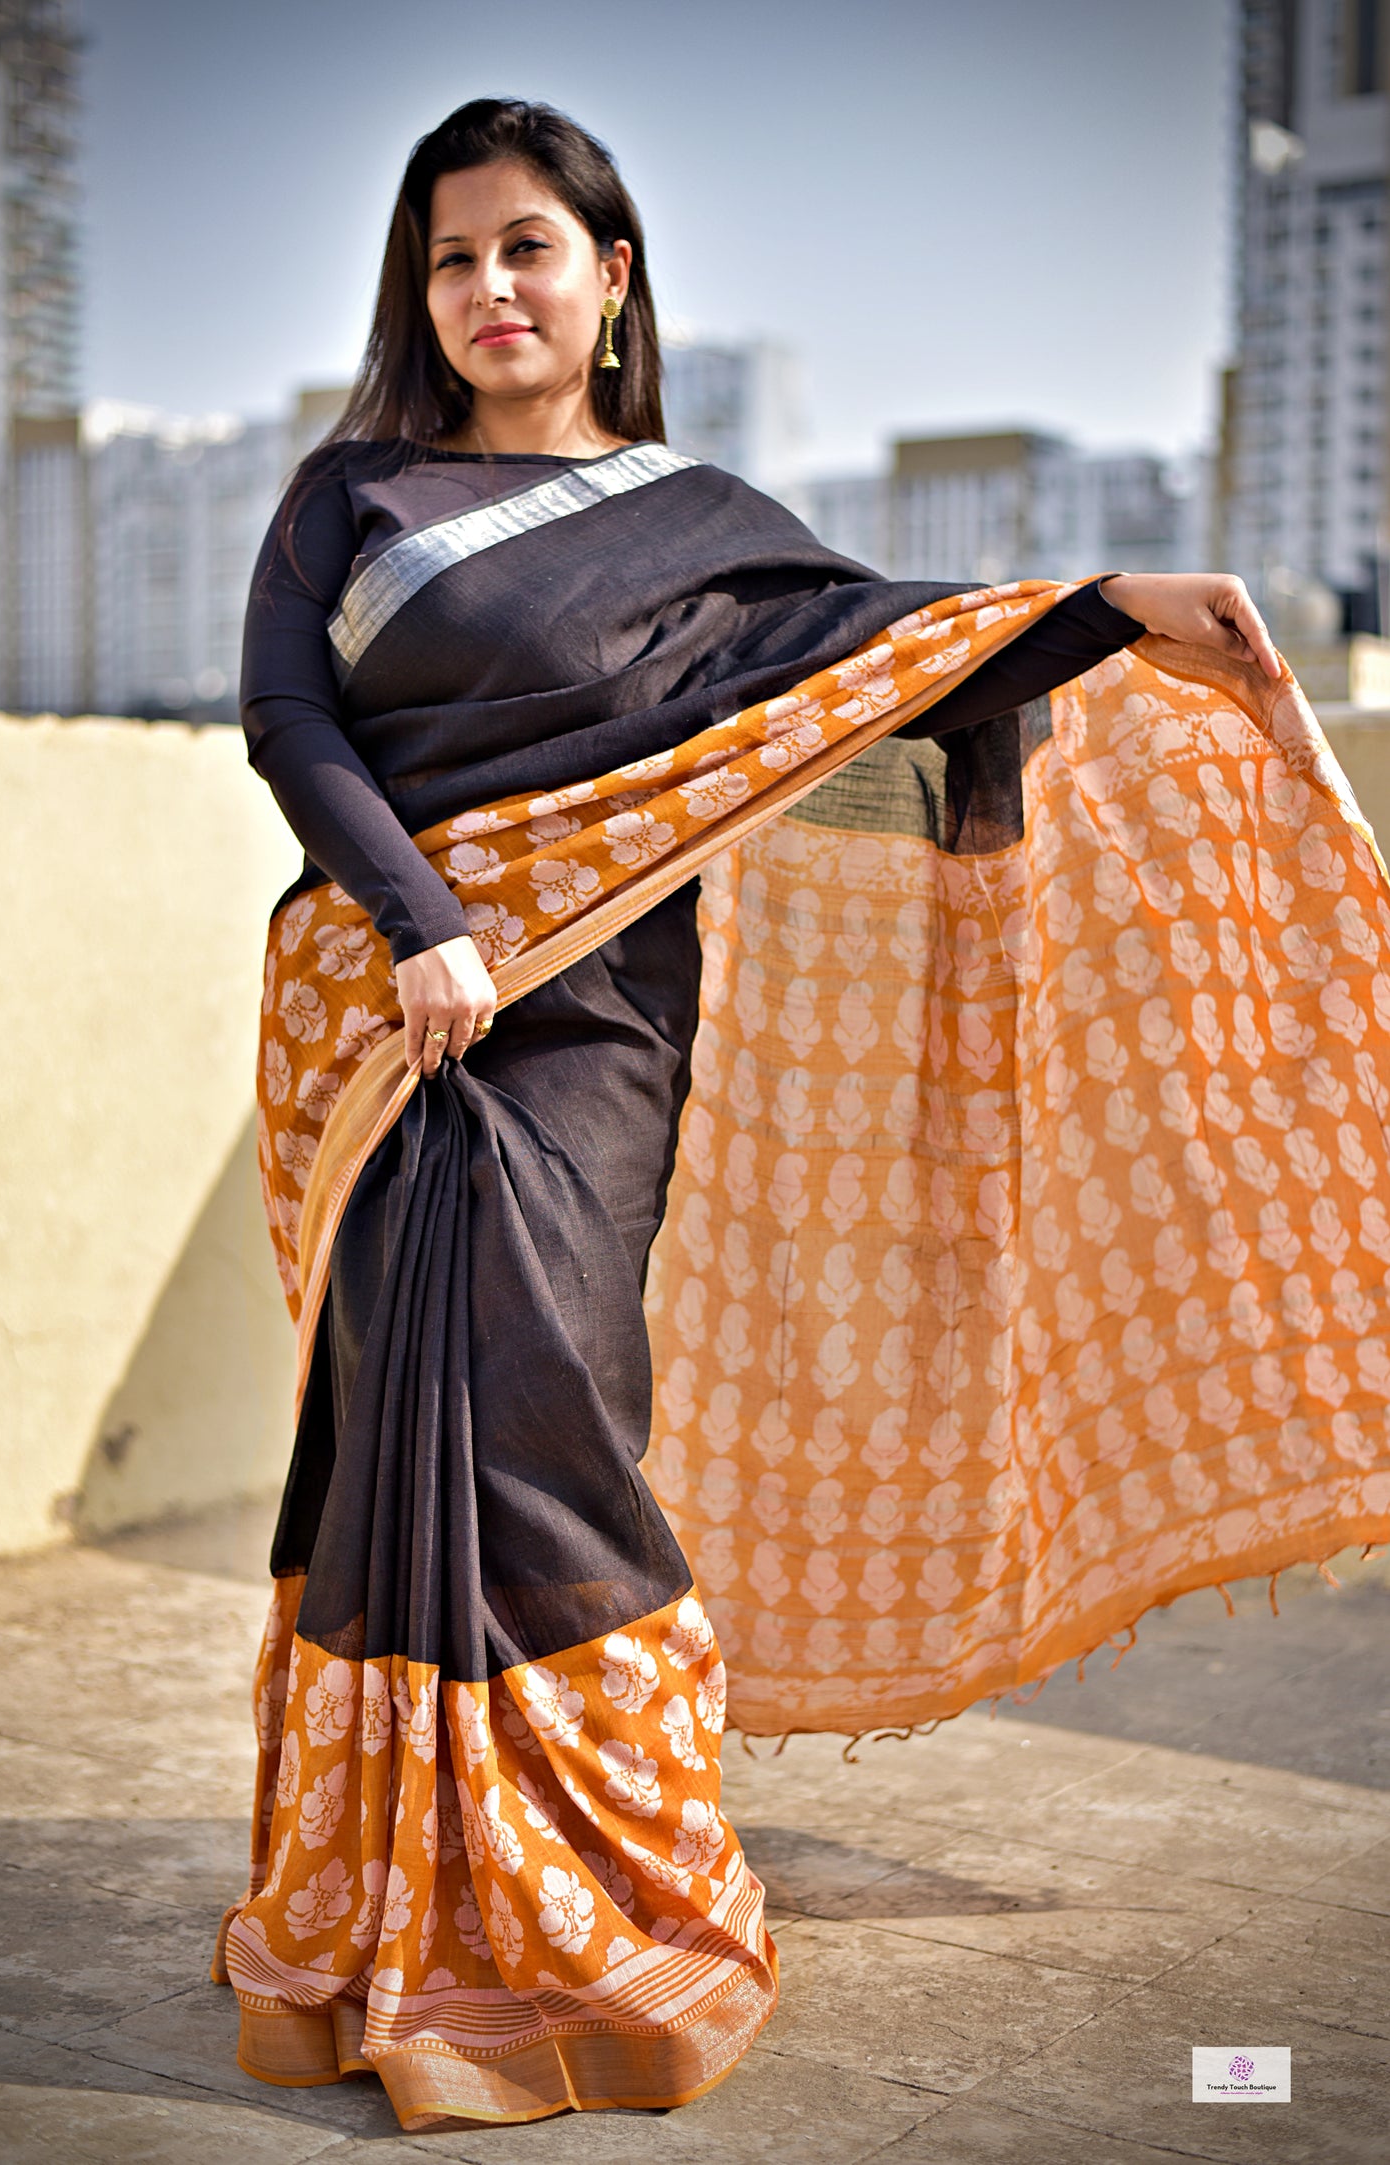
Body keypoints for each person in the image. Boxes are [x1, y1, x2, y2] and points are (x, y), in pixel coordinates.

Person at [215, 97, 1389, 2134]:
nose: (487, 289)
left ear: (611, 277)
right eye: (448, 258)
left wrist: (1109, 603)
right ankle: (387, 1904)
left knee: (543, 1396)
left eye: (525, 248)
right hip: (395, 1009)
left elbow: (867, 672)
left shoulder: (699, 517)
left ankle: (606, 1893)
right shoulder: (354, 492)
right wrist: (418, 922)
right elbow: (289, 718)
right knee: (391, 1412)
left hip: (589, 1021)